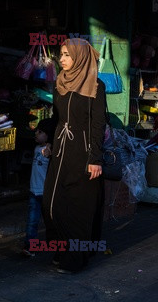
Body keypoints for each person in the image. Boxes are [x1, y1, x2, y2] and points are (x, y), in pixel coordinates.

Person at [42, 38, 106, 274]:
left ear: (80, 58)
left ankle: (74, 259)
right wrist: (48, 141)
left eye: (67, 55)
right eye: (61, 54)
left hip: (83, 153)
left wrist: (95, 159)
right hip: (60, 152)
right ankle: (61, 250)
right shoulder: (60, 82)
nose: (62, 59)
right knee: (52, 204)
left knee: (78, 208)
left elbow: (98, 124)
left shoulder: (95, 86)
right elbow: (57, 118)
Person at [22, 117, 56, 257]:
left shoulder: (51, 150)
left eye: (40, 132)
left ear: (48, 134)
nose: (36, 134)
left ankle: (54, 244)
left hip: (46, 192)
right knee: (32, 220)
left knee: (50, 220)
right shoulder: (37, 148)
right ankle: (30, 246)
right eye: (36, 131)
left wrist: (50, 148)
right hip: (33, 192)